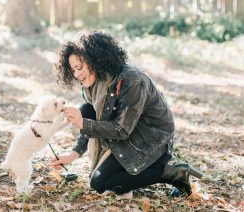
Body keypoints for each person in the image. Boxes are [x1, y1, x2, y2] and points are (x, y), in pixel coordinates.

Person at [51, 31, 203, 199]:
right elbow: (90, 118)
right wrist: (72, 155)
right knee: (86, 109)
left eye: (79, 68)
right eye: (73, 70)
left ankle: (170, 171)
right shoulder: (93, 85)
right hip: (126, 134)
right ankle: (133, 172)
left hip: (149, 140)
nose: (76, 74)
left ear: (94, 60)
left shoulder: (131, 80)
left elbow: (121, 130)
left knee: (99, 183)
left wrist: (83, 123)